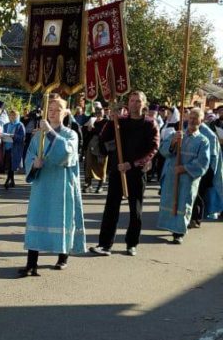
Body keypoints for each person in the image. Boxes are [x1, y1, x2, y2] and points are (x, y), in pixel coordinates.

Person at [19, 94, 85, 275]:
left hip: (61, 183)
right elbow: (30, 154)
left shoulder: (70, 133)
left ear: (65, 113)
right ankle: (31, 263)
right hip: (42, 183)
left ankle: (62, 256)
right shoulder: (37, 136)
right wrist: (34, 164)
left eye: (58, 110)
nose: (54, 113)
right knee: (36, 218)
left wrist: (50, 132)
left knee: (61, 217)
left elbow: (66, 154)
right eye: (51, 110)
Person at [89, 91, 160, 257]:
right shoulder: (119, 121)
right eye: (132, 100)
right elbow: (103, 139)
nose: (134, 104)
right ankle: (105, 244)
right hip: (117, 170)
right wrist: (110, 121)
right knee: (111, 208)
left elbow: (153, 148)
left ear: (144, 104)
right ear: (128, 103)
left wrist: (133, 164)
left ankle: (131, 243)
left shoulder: (150, 124)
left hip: (136, 171)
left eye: (138, 101)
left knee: (135, 210)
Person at [156, 106, 210, 244]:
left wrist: (185, 168)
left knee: (183, 204)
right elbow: (163, 151)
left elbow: (203, 162)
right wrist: (173, 142)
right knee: (170, 201)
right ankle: (169, 226)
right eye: (190, 117)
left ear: (201, 120)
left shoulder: (203, 141)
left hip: (188, 179)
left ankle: (179, 232)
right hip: (172, 176)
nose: (192, 120)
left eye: (195, 118)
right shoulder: (178, 135)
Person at [194, 118, 223, 223]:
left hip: (204, 169)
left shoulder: (209, 134)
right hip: (193, 167)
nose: (191, 121)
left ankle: (197, 217)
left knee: (199, 194)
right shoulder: (191, 130)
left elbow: (211, 156)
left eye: (194, 118)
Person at [83, 102, 108, 192]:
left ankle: (100, 185)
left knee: (101, 165)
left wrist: (94, 130)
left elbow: (106, 133)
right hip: (91, 145)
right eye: (97, 111)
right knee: (89, 164)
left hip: (102, 146)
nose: (98, 113)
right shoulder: (91, 120)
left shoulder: (106, 122)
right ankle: (88, 184)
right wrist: (88, 129)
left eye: (100, 111)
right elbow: (85, 132)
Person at [0, 108, 26, 189]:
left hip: (15, 148)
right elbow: (3, 133)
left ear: (17, 116)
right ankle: (12, 181)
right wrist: (2, 136)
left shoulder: (20, 125)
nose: (12, 117)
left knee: (12, 165)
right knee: (8, 165)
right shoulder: (6, 125)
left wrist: (14, 136)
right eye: (11, 115)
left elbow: (22, 137)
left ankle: (8, 181)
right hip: (7, 147)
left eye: (14, 116)